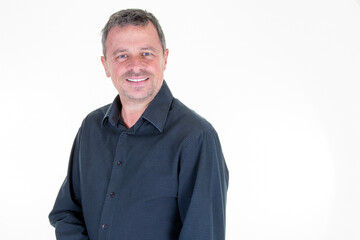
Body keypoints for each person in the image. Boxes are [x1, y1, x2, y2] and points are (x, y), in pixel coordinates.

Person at [49, 9, 229, 240]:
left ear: (165, 59)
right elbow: (66, 213)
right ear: (105, 65)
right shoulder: (91, 128)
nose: (136, 65)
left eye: (146, 53)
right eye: (122, 55)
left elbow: (203, 234)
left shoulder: (196, 137)